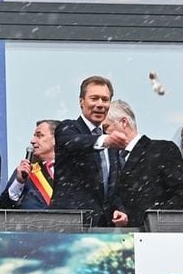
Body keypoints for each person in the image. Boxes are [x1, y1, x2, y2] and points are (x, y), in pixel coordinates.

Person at [102, 100, 183, 227]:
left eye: (106, 127)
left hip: (153, 238)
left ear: (124, 122)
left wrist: (151, 218)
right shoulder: (110, 161)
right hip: (118, 239)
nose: (104, 135)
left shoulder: (161, 150)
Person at [50, 76, 126, 225]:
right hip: (69, 223)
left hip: (101, 229)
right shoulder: (68, 128)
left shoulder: (111, 146)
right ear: (81, 101)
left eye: (105, 99)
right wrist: (105, 140)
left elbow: (110, 189)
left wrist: (119, 209)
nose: (100, 104)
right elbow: (72, 143)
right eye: (94, 98)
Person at [0, 120, 57, 210]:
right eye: (34, 136)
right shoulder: (25, 171)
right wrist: (19, 182)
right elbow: (2, 209)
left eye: (39, 135)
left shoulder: (72, 170)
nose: (32, 141)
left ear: (56, 138)